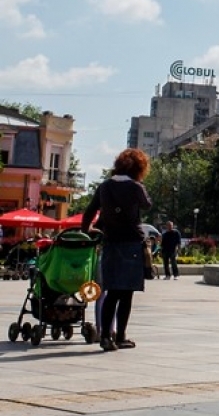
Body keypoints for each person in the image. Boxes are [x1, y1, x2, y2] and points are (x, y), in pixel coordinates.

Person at [81, 148, 152, 351]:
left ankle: (105, 337)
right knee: (126, 293)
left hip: (110, 243)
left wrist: (87, 231)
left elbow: (90, 211)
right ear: (139, 168)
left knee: (111, 292)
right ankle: (120, 336)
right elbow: (147, 205)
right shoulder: (135, 187)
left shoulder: (104, 187)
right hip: (131, 244)